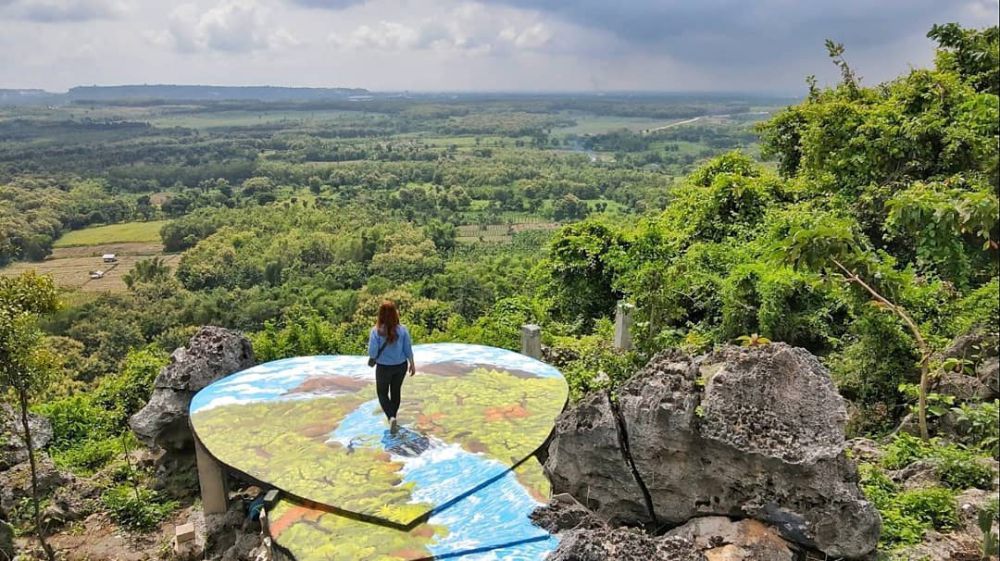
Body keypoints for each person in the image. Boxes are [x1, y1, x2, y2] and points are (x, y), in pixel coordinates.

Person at [368, 300, 415, 431]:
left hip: (384, 367)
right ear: (395, 314)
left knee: (382, 394)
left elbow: (372, 353)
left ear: (380, 315)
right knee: (396, 392)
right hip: (401, 366)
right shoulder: (403, 330)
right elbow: (407, 348)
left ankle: (391, 417)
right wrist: (412, 363)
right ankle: (393, 417)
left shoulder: (376, 331)